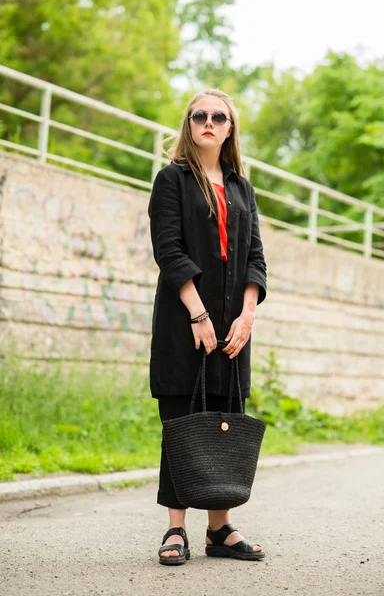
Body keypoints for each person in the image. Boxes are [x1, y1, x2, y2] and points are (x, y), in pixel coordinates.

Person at [148, 88, 267, 565]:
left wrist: (248, 314)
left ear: (230, 127)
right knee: (183, 419)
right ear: (189, 124)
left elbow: (255, 257)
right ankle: (176, 529)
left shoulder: (242, 188)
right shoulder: (171, 180)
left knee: (225, 416)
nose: (209, 122)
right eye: (200, 115)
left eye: (219, 116)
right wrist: (197, 314)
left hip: (235, 324)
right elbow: (169, 251)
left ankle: (219, 529)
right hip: (185, 320)